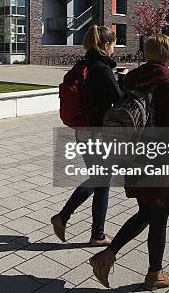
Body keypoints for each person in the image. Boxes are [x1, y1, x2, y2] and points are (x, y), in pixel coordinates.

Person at [89, 34, 169, 291]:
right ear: (168, 55)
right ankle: (154, 273)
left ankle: (106, 257)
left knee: (148, 211)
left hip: (133, 156)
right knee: (159, 214)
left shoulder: (133, 80)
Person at [51, 25, 127, 247]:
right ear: (105, 45)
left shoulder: (83, 65)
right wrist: (122, 80)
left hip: (83, 132)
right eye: (113, 44)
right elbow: (120, 100)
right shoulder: (102, 69)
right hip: (98, 133)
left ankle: (93, 232)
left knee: (101, 180)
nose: (114, 48)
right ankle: (72, 221)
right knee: (101, 180)